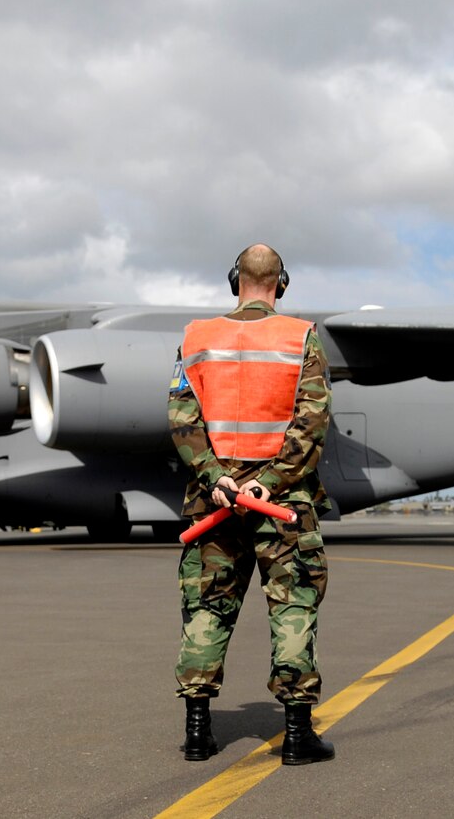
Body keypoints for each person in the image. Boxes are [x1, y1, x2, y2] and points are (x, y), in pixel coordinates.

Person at [167, 243, 336, 766]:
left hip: (213, 505)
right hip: (280, 506)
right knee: (292, 608)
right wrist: (269, 482)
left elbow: (182, 419)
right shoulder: (301, 337)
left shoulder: (196, 339)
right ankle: (296, 735)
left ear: (232, 280)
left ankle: (198, 731)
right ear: (280, 283)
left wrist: (219, 478)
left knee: (207, 608)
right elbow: (312, 423)